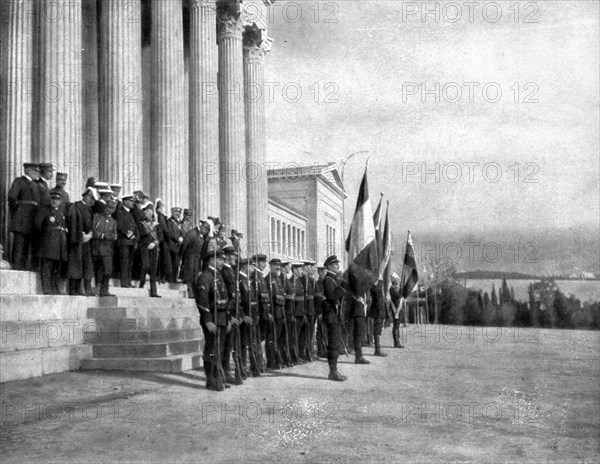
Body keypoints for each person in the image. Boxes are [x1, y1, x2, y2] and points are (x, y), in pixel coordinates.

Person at [195, 247, 230, 391]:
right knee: (211, 350)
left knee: (219, 350)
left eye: (223, 259)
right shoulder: (205, 276)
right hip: (212, 320)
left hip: (221, 318)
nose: (223, 262)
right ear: (212, 260)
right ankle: (210, 380)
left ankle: (218, 377)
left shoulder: (218, 276)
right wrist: (208, 320)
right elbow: (202, 301)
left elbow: (225, 299)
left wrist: (226, 320)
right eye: (220, 259)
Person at [7, 162, 41, 270]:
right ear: (27, 171)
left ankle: (24, 266)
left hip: (32, 218)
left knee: (27, 245)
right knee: (19, 243)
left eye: (37, 171)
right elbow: (12, 197)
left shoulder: (36, 185)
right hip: (22, 218)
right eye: (35, 171)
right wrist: (19, 210)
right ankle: (17, 266)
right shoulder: (19, 181)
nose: (37, 173)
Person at [35, 191, 68, 294]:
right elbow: (37, 225)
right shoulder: (45, 210)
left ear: (60, 201)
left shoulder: (61, 213)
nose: (54, 201)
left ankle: (55, 288)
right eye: (53, 199)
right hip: (48, 243)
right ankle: (47, 289)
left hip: (58, 244)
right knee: (46, 267)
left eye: (57, 199)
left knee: (56, 268)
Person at [66, 187, 96, 296]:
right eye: (91, 198)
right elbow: (72, 222)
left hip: (87, 241)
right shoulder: (75, 206)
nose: (92, 201)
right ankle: (74, 289)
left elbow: (92, 225)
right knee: (75, 264)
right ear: (86, 196)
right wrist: (81, 234)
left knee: (86, 264)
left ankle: (85, 289)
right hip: (77, 240)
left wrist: (90, 235)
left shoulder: (90, 210)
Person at [322, 255, 347, 381]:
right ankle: (333, 372)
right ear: (329, 266)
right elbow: (332, 297)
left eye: (338, 264)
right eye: (335, 264)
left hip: (335, 316)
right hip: (331, 315)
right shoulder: (328, 280)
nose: (338, 266)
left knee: (335, 344)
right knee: (333, 344)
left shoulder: (334, 279)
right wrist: (342, 290)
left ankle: (335, 370)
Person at [220, 245, 242, 385]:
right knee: (225, 347)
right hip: (227, 314)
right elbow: (226, 296)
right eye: (234, 255)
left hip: (234, 313)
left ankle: (226, 374)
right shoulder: (224, 272)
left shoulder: (231, 271)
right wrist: (229, 317)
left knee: (229, 347)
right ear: (228, 256)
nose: (235, 257)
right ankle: (224, 374)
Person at [252, 254, 276, 369]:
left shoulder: (260, 276)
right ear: (256, 263)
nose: (264, 265)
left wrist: (268, 312)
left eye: (265, 262)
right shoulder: (255, 276)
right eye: (262, 263)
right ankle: (259, 362)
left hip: (264, 313)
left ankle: (262, 361)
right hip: (259, 313)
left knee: (262, 338)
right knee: (258, 339)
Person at [91, 200, 118, 297]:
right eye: (108, 207)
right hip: (97, 247)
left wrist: (103, 235)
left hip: (108, 250)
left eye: (111, 208)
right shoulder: (97, 217)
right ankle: (97, 289)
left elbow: (114, 236)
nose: (109, 210)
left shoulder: (113, 222)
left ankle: (104, 289)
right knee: (97, 269)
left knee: (108, 270)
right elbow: (94, 231)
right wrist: (104, 235)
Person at [268, 258, 289, 367]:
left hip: (281, 312)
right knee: (272, 338)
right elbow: (267, 299)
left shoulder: (279, 279)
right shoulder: (268, 279)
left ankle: (279, 359)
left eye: (278, 265)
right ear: (270, 266)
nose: (277, 267)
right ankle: (272, 362)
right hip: (273, 313)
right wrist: (269, 313)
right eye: (275, 265)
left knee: (280, 337)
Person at [138, 202, 161, 298]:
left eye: (151, 211)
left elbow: (160, 237)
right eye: (148, 211)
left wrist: (155, 243)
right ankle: (141, 283)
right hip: (144, 247)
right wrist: (152, 226)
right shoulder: (141, 223)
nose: (150, 213)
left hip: (154, 248)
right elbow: (143, 234)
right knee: (146, 265)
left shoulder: (156, 224)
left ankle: (154, 292)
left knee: (153, 270)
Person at [115, 194, 138, 287]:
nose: (132, 203)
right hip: (124, 241)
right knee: (124, 261)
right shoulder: (120, 212)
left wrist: (135, 237)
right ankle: (124, 282)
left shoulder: (131, 213)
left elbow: (134, 227)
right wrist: (129, 234)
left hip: (131, 241)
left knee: (130, 262)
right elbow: (120, 225)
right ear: (124, 201)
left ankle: (128, 281)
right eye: (130, 201)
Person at [181, 221, 208, 298]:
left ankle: (194, 292)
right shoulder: (192, 233)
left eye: (206, 231)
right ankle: (190, 292)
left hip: (197, 258)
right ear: (202, 227)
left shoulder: (201, 236)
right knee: (190, 274)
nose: (205, 232)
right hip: (189, 256)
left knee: (195, 275)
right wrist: (182, 256)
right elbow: (184, 245)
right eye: (205, 230)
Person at [291, 262, 308, 363]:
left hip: (301, 313)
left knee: (300, 337)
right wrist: (293, 314)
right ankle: (294, 357)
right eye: (300, 269)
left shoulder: (298, 281)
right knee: (295, 337)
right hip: (296, 314)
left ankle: (299, 356)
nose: (302, 271)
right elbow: (292, 301)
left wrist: (304, 313)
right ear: (295, 270)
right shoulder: (292, 282)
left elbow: (303, 300)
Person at [369, 281, 388, 357]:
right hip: (377, 312)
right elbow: (377, 295)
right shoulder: (374, 287)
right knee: (377, 331)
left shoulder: (377, 286)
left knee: (378, 331)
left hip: (380, 312)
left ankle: (378, 349)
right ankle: (377, 350)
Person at [155, 199, 172, 283]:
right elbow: (164, 229)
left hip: (161, 238)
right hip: (162, 239)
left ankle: (162, 276)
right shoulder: (160, 216)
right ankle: (162, 277)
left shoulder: (160, 216)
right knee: (164, 259)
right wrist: (168, 236)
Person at [167, 207, 183, 283]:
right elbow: (170, 233)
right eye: (176, 213)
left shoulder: (178, 223)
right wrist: (178, 238)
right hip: (171, 246)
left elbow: (180, 232)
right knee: (170, 264)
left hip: (177, 247)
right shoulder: (169, 222)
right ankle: (170, 279)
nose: (178, 214)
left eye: (179, 213)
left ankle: (174, 279)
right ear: (172, 213)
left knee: (176, 264)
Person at [315, 265, 328, 357]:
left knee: (325, 330)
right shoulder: (318, 283)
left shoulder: (326, 282)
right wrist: (319, 312)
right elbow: (317, 300)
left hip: (326, 310)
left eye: (325, 272)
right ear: (319, 272)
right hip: (320, 310)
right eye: (322, 272)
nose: (324, 273)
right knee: (320, 330)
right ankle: (320, 350)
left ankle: (325, 349)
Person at [389, 273, 405, 348]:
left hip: (398, 307)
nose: (398, 280)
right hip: (395, 309)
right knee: (396, 326)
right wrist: (401, 289)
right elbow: (399, 296)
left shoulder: (396, 287)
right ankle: (396, 342)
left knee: (397, 326)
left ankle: (398, 341)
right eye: (397, 279)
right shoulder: (392, 288)